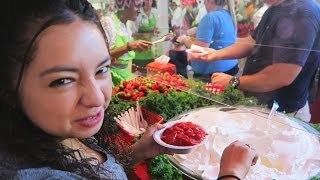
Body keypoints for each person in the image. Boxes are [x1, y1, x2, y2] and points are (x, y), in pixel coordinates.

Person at [0, 0, 258, 179]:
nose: (97, 97)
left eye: (101, 69)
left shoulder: (58, 131)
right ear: (9, 88)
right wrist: (231, 173)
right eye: (62, 81)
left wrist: (138, 152)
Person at [188, 0, 320, 122]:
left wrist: (233, 81)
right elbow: (252, 42)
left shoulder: (302, 13)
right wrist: (216, 54)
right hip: (261, 105)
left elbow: (281, 76)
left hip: (283, 113)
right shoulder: (274, 9)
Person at [178, 0, 239, 82]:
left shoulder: (210, 17)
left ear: (210, 1)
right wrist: (198, 29)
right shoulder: (228, 15)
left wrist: (185, 40)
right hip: (230, 69)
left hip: (212, 74)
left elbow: (200, 50)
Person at [101, 0, 152, 86]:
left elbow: (121, 61)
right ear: (124, 6)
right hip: (110, 81)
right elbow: (101, 59)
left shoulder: (127, 26)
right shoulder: (108, 23)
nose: (140, 10)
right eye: (137, 6)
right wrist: (128, 47)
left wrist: (137, 68)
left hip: (124, 79)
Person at [131, 0, 159, 72]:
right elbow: (132, 33)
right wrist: (142, 35)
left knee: (150, 72)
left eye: (150, 0)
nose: (148, 2)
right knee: (139, 72)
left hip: (151, 47)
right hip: (139, 48)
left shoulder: (155, 12)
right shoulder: (138, 13)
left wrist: (155, 31)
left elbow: (155, 28)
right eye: (146, 0)